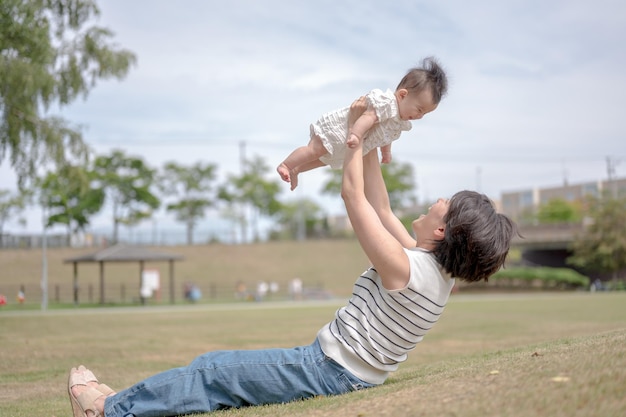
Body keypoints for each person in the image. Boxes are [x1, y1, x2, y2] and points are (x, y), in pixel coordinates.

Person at [68, 98, 516, 417]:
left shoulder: (405, 268)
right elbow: (381, 207)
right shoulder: (435, 274)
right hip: (340, 370)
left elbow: (353, 195)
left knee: (212, 371)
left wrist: (357, 135)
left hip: (326, 371)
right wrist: (376, 131)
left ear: (442, 230)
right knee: (219, 376)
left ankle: (109, 409)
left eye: (445, 202)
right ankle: (130, 401)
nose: (437, 199)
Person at [277, 56, 448, 190]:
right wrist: (355, 134)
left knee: (324, 160)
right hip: (340, 131)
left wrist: (386, 153)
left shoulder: (399, 122)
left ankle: (297, 169)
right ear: (403, 95)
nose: (420, 116)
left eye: (425, 113)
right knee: (314, 150)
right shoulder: (386, 103)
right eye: (419, 109)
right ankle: (286, 164)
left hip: (346, 146)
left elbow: (386, 137)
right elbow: (367, 118)